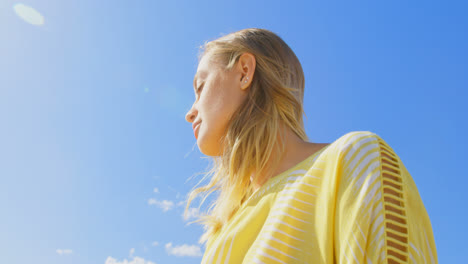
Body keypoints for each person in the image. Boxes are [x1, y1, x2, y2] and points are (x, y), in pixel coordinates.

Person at [184, 28, 438, 264]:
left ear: (244, 72)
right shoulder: (220, 234)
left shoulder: (354, 163)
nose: (190, 112)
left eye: (200, 87)